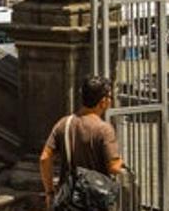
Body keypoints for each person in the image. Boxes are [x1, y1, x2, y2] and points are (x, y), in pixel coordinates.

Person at [39, 76, 122, 208]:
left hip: (68, 199)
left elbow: (44, 158)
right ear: (103, 101)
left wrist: (49, 192)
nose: (111, 101)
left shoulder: (64, 123)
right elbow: (114, 167)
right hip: (94, 198)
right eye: (110, 97)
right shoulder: (104, 129)